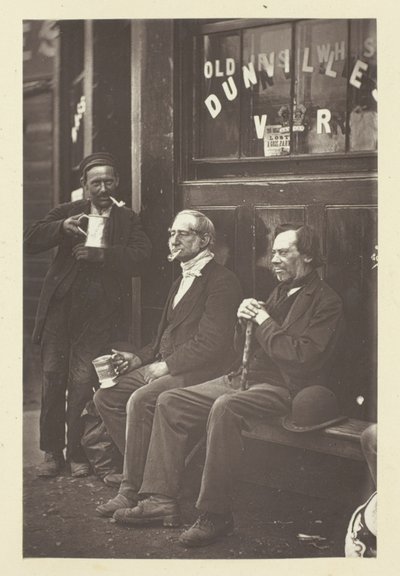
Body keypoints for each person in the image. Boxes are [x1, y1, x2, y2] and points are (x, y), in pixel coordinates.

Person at [106, 223, 345, 547]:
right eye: (273, 252)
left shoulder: (327, 301)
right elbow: (244, 347)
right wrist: (242, 323)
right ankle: (160, 500)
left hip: (286, 388)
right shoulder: (280, 291)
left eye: (283, 252)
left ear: (308, 256)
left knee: (225, 407)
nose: (274, 259)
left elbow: (301, 358)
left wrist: (262, 321)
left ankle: (215, 515)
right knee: (170, 400)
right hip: (244, 378)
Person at [94, 209, 243, 516]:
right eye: (172, 233)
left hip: (202, 372)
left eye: (183, 234)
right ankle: (147, 474)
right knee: (107, 396)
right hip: (169, 365)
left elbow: (212, 344)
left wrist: (166, 366)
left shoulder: (223, 281)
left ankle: (132, 490)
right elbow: (163, 335)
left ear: (205, 240)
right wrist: (138, 358)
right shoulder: (179, 280)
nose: (174, 240)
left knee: (141, 399)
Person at [24, 152, 152, 478]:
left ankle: (77, 452)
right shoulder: (68, 212)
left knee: (82, 381)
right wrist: (60, 228)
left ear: (117, 181)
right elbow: (29, 240)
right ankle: (52, 452)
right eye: (96, 183)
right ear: (84, 184)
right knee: (53, 376)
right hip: (60, 309)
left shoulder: (127, 219)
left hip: (98, 314)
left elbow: (142, 258)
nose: (103, 188)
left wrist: (103, 256)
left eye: (109, 181)